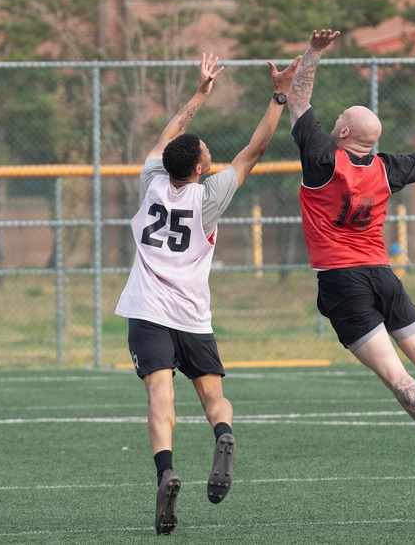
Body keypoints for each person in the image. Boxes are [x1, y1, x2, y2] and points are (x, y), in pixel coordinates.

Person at [283, 29, 415, 481]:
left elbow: (297, 100)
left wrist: (313, 51)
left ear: (342, 132)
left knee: (395, 375)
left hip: (343, 281)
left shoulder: (322, 158)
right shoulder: (387, 168)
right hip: (382, 274)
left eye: (338, 118)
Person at [115, 51, 300, 535]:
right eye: (204, 153)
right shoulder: (209, 197)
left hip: (148, 309)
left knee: (160, 394)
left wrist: (199, 93)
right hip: (193, 315)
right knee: (213, 393)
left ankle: (166, 471)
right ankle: (223, 434)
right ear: (199, 168)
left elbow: (167, 136)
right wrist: (278, 94)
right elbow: (254, 150)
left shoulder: (150, 181)